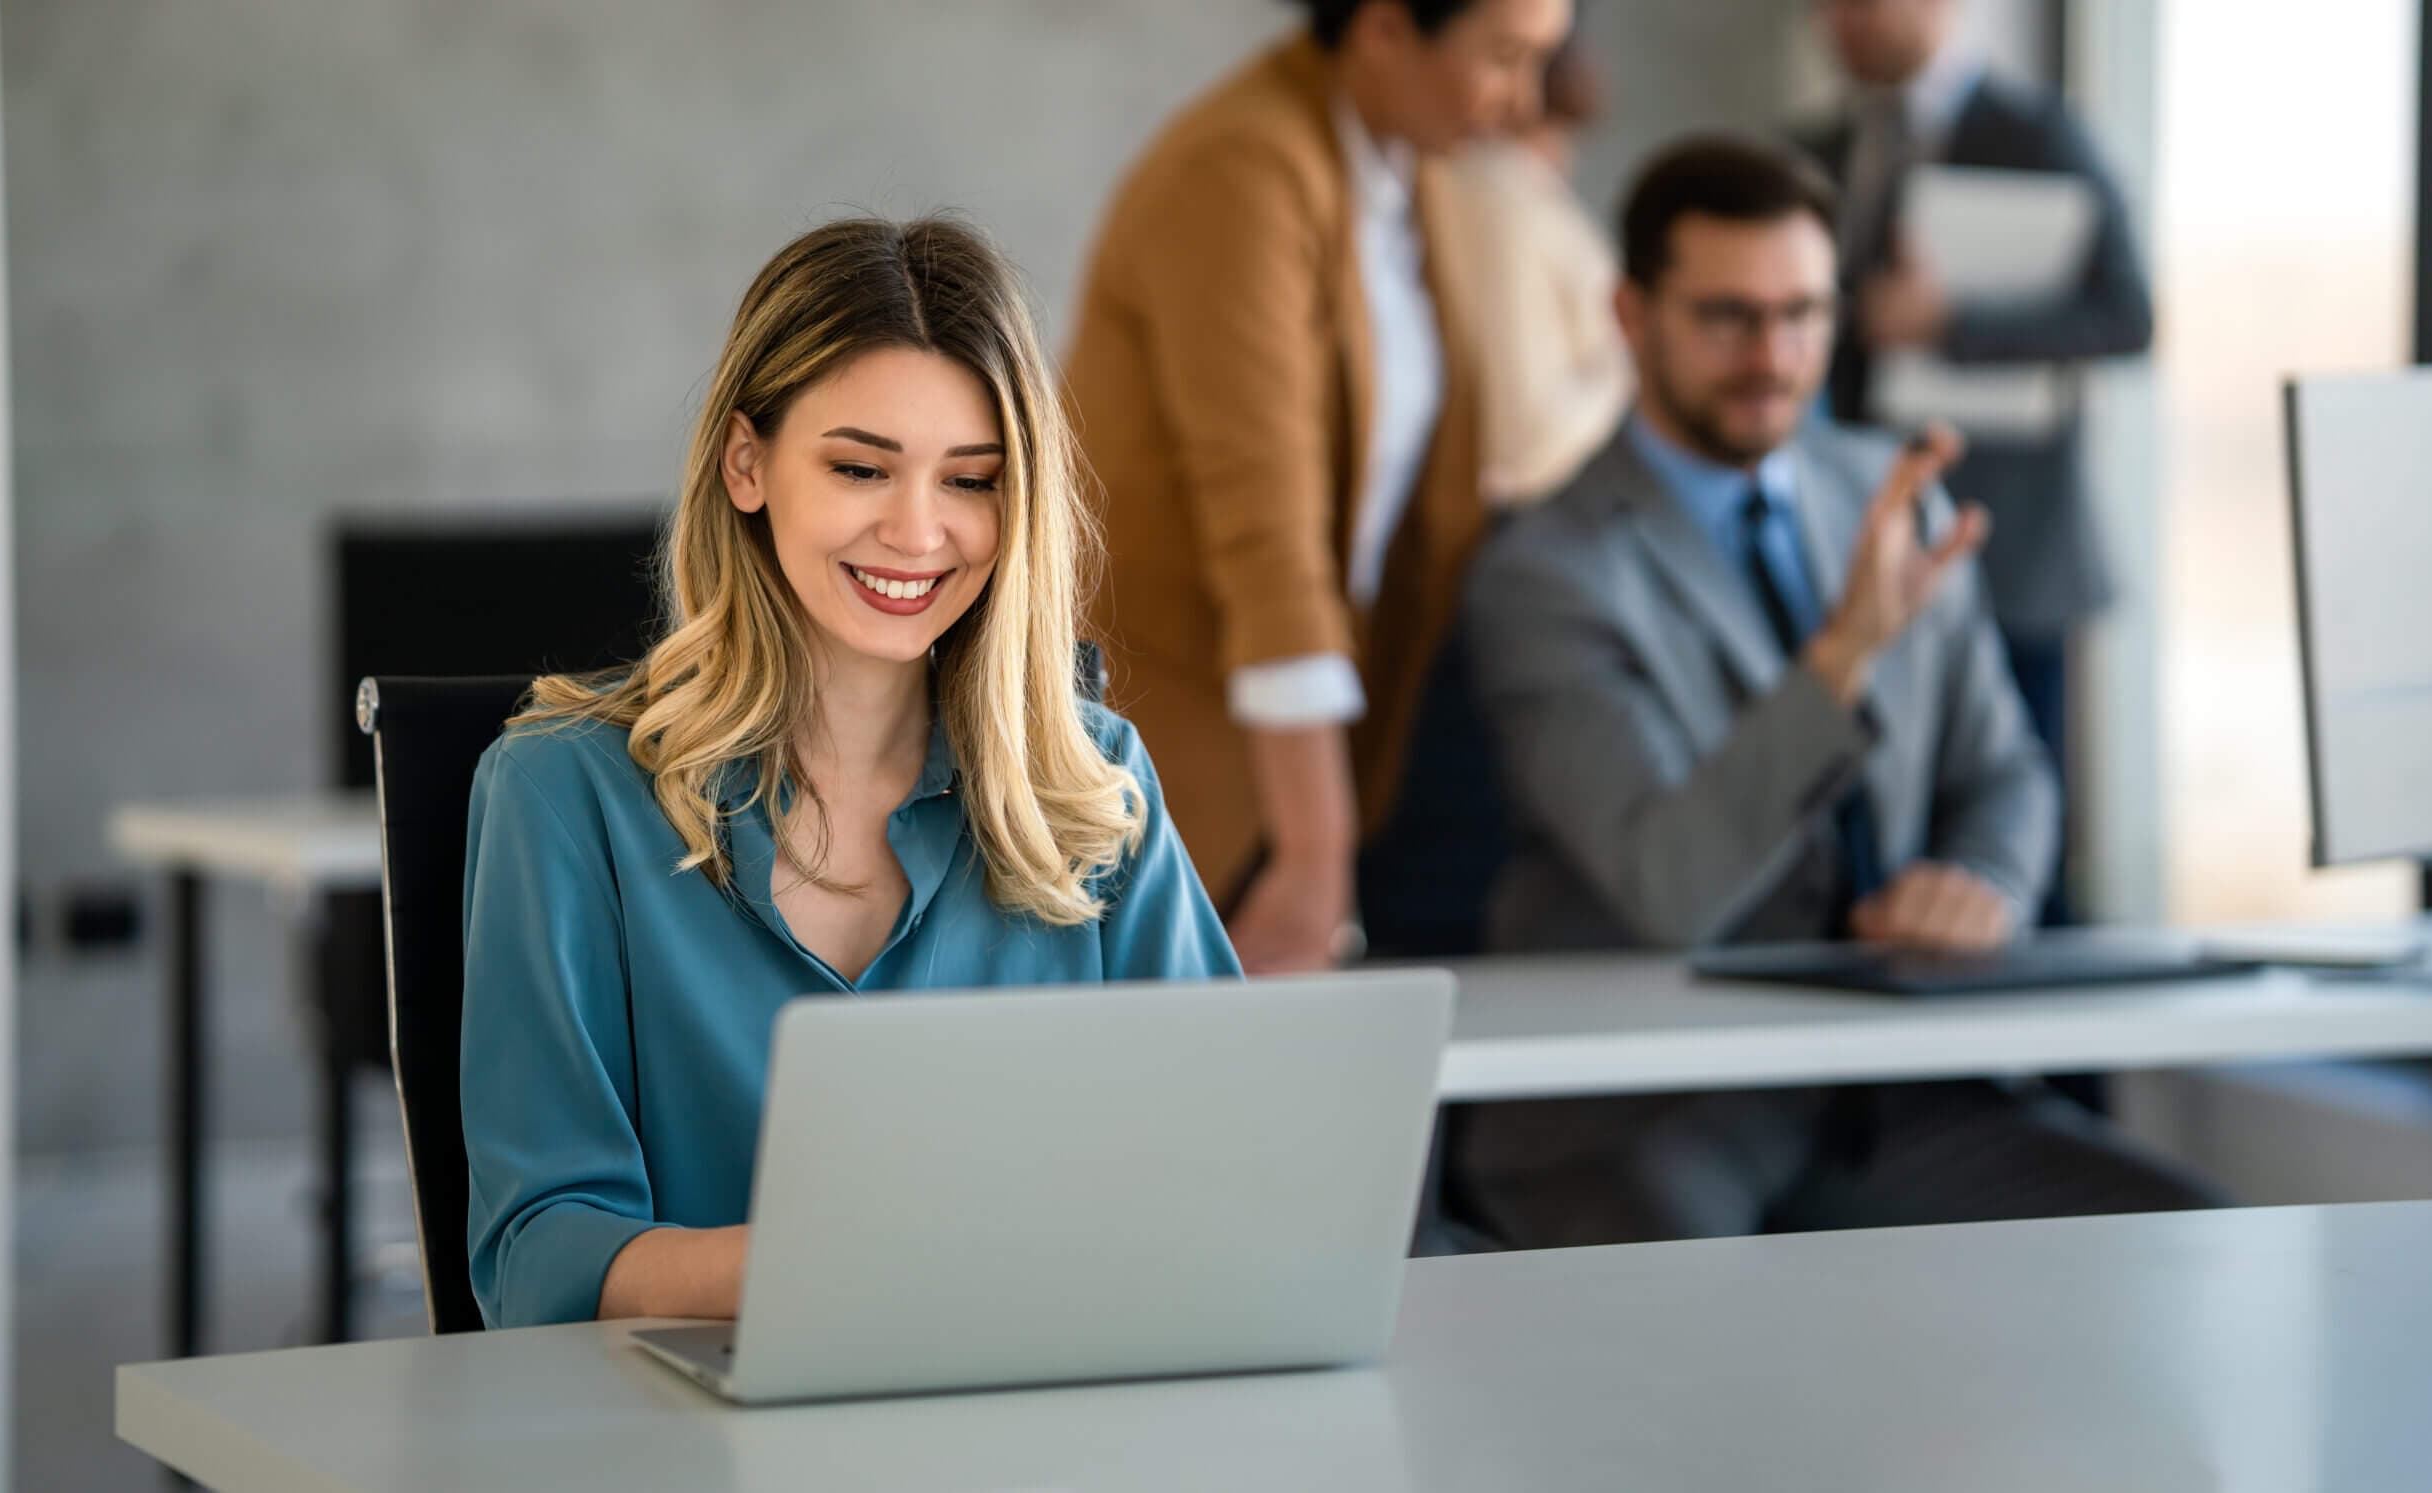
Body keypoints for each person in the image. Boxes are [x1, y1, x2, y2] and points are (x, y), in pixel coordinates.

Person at [459, 217, 1240, 1329]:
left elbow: (1228, 1166)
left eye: (970, 480)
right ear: (746, 464)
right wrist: (858, 1267)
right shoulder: (560, 793)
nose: (918, 532)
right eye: (861, 467)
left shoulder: (1091, 780)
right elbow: (540, 1254)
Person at [1450, 137, 2216, 1247]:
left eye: (1805, 313)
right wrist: (1841, 655)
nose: (1774, 354)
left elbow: (2001, 768)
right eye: (1727, 316)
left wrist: (1982, 876)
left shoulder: (1886, 490)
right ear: (1630, 314)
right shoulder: (1548, 569)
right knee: (1732, 1374)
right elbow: (1672, 885)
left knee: (2189, 1242)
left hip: (1894, 1088)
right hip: (1649, 1109)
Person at [1064, 0, 1573, 971]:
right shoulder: (1241, 171)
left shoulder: (1394, 167)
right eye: (1505, 57)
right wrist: (1314, 850)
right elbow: (1267, 534)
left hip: (1294, 750)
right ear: (1384, 30)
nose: (1525, 100)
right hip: (1172, 764)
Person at [1798, 0, 2154, 924]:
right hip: (1869, 549)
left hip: (2012, 552)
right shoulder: (1821, 148)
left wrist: (1949, 323)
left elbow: (2128, 313)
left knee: (2018, 843)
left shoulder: (2037, 132)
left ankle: (2059, 1068)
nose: (1839, 23)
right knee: (1891, 842)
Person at [1449, 37, 1630, 508]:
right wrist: (1633, 374)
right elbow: (1524, 438)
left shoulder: (1511, 193)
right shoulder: (1502, 200)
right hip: (1542, 502)